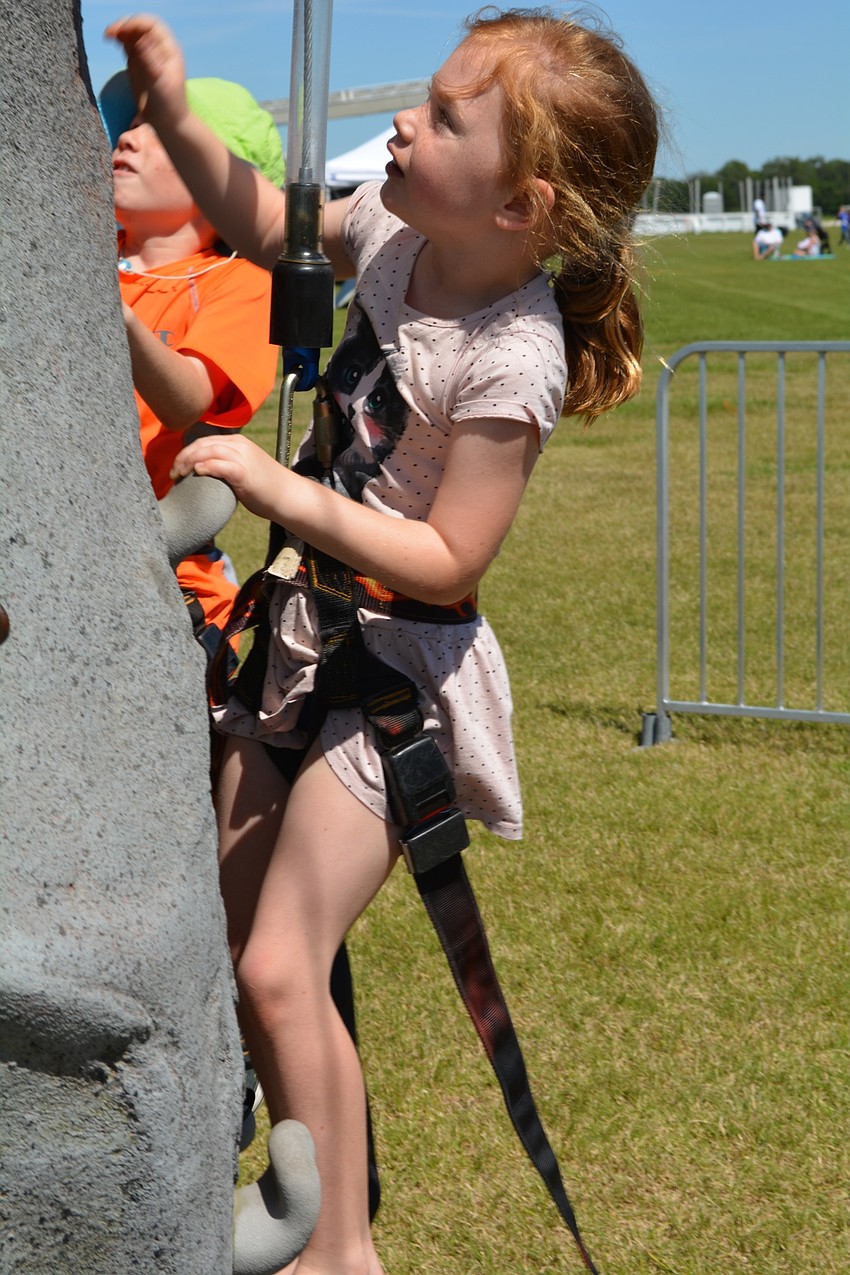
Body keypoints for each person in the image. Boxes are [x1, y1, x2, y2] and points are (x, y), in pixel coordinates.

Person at [107, 9, 659, 1274]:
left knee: (285, 965)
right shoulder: (400, 237)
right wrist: (180, 109)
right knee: (247, 955)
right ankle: (312, 1202)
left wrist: (280, 493)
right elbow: (260, 222)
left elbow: (452, 557)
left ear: (520, 205)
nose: (406, 119)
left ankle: (339, 1248)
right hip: (298, 638)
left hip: (398, 674)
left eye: (446, 113)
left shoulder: (512, 353)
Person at [98, 72, 284, 658]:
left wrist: (114, 313)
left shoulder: (242, 281)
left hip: (167, 571)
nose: (126, 139)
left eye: (158, 132)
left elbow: (186, 401)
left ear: (222, 185)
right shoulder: (77, 247)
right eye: (128, 127)